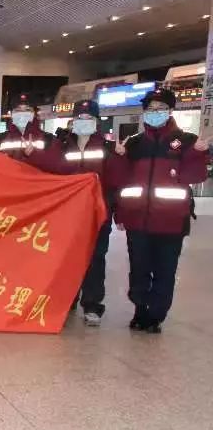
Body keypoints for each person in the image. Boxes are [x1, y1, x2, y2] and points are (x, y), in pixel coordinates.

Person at [114, 88, 209, 333]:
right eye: (151, 109)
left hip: (172, 222)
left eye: (161, 108)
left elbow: (195, 176)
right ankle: (140, 310)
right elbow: (123, 180)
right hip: (137, 221)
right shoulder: (134, 143)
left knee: (165, 271)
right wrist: (120, 214)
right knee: (139, 269)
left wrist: (197, 154)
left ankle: (156, 315)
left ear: (170, 111)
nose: (155, 113)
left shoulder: (186, 141)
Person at [56, 100, 124, 326]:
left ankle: (92, 305)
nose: (84, 122)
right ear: (73, 121)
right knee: (67, 258)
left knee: (95, 259)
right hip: (69, 215)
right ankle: (67, 299)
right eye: (80, 118)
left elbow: (115, 182)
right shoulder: (62, 146)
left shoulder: (107, 148)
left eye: (89, 118)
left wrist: (119, 157)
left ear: (96, 121)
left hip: (98, 214)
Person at [0, 94, 61, 172]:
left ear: (34, 114)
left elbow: (61, 168)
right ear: (11, 114)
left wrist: (35, 155)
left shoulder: (49, 139)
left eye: (27, 109)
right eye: (18, 110)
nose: (22, 113)